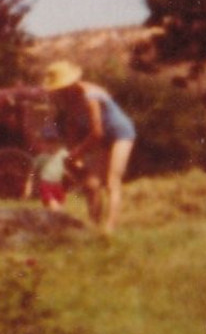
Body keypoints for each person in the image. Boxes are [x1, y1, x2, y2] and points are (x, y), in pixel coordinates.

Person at [42, 60, 136, 235]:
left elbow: (97, 132)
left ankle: (109, 229)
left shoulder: (90, 96)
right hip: (99, 138)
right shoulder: (67, 101)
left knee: (111, 182)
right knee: (91, 184)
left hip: (120, 134)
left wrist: (77, 152)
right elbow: (73, 129)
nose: (59, 92)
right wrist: (73, 155)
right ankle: (93, 227)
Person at [30, 125, 70, 211]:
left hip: (59, 185)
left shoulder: (62, 154)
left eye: (54, 141)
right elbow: (32, 172)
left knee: (58, 208)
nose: (51, 145)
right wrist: (29, 186)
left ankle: (50, 221)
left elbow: (71, 161)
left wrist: (71, 169)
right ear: (42, 143)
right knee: (55, 208)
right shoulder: (41, 158)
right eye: (47, 142)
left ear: (59, 142)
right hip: (46, 185)